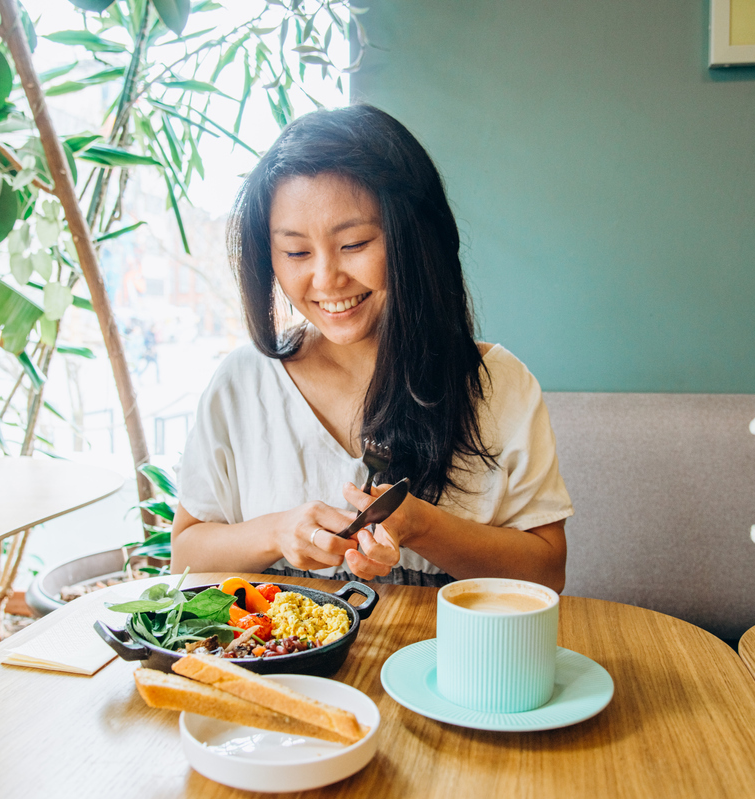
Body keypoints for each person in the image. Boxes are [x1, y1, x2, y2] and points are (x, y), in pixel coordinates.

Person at [170, 104, 572, 590]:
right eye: (296, 251)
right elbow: (185, 558)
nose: (326, 279)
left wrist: (422, 525)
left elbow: (546, 574)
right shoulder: (243, 381)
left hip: (444, 661)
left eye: (355, 243)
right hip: (277, 662)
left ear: (414, 238)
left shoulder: (497, 384)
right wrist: (277, 532)